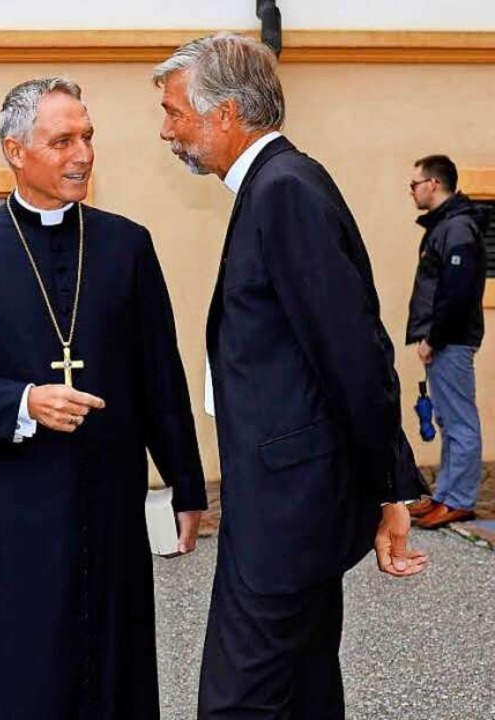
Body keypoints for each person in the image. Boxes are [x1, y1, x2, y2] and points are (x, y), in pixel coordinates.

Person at [0, 77, 206, 719]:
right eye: (62, 140)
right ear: (16, 151)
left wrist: (186, 482)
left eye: (89, 136)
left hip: (109, 500)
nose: (83, 154)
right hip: (10, 509)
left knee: (110, 665)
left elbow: (161, 373)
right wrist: (22, 401)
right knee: (20, 669)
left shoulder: (127, 244)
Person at [154, 33, 429, 719]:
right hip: (282, 491)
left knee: (239, 697)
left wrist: (387, 489)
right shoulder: (275, 185)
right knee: (301, 686)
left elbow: (352, 353)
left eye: (174, 112)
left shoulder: (282, 191)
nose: (166, 130)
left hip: (287, 506)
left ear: (224, 115)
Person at [404, 154, 487, 529]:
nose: (412, 191)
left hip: (450, 341)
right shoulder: (446, 226)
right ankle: (445, 495)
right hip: (443, 340)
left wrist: (433, 339)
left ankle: (460, 499)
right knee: (448, 419)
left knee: (460, 422)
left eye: (415, 184)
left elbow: (456, 292)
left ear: (434, 184)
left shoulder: (456, 228)